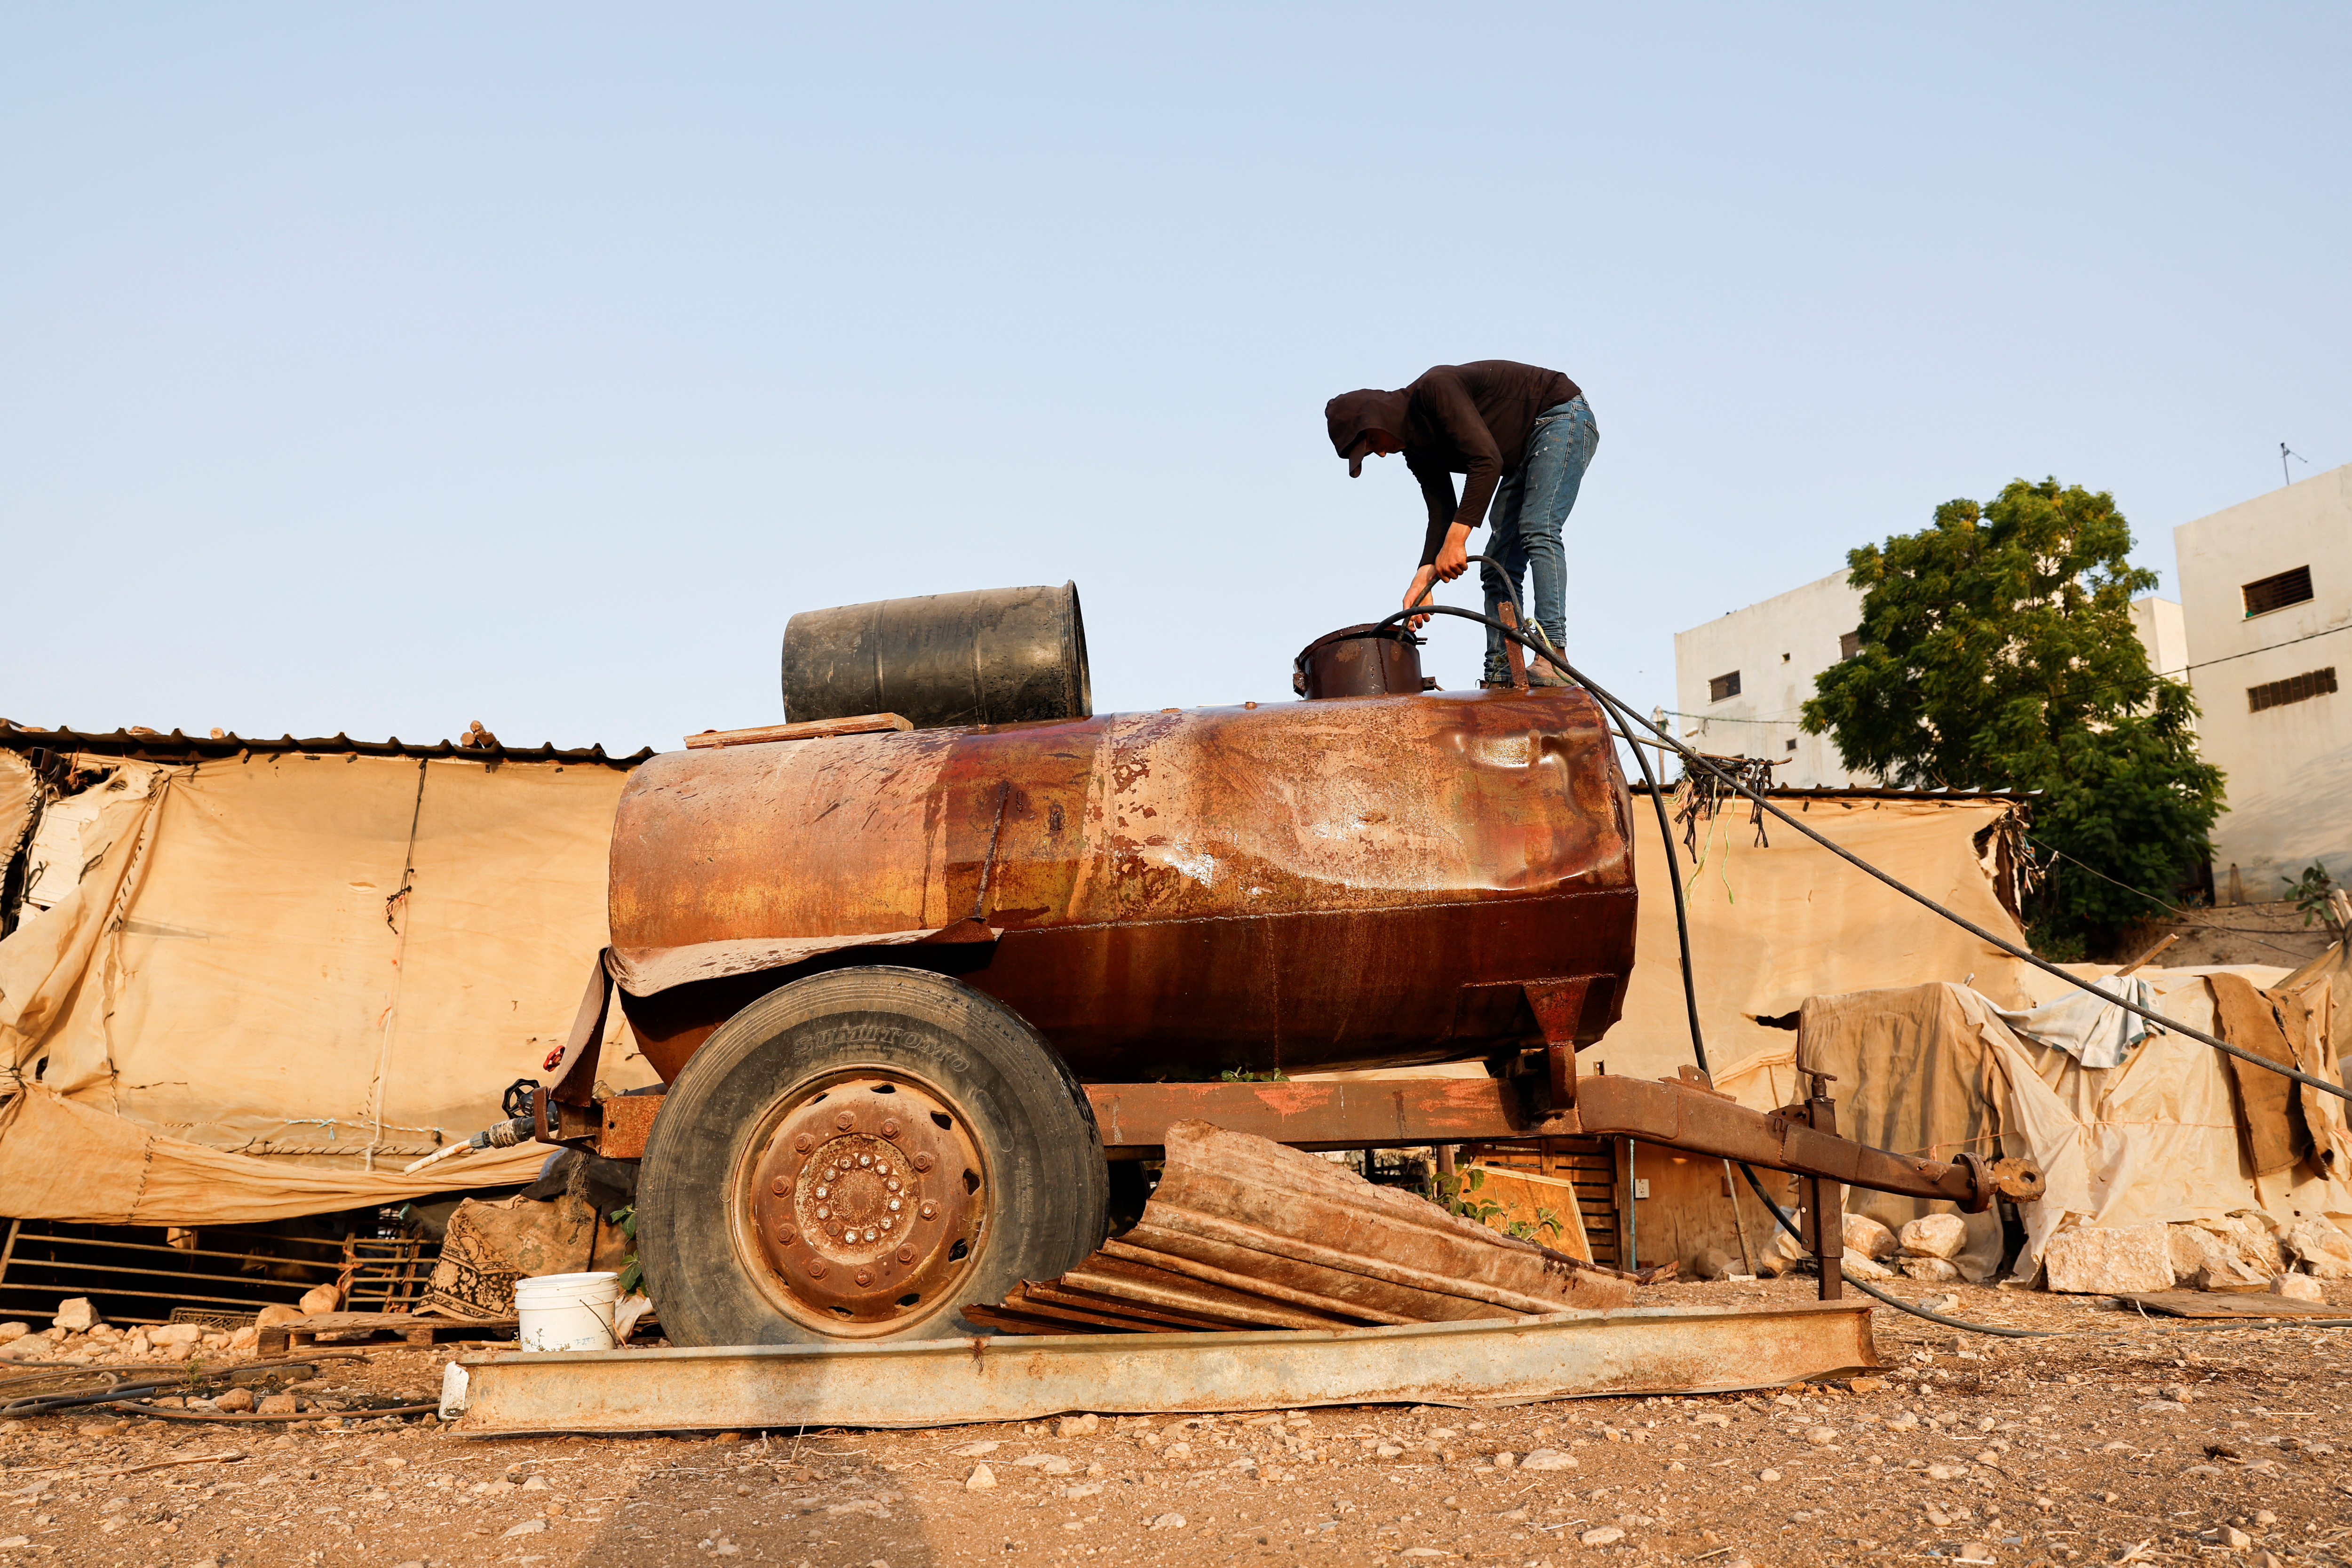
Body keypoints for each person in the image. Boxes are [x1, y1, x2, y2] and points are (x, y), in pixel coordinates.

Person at [1326, 361, 1597, 686]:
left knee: (1538, 528)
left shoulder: (1435, 389)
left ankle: (1553, 654)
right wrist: (1423, 576)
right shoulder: (1415, 451)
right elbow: (1442, 511)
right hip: (1522, 451)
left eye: (1371, 443)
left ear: (1376, 418)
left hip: (1559, 416)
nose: (1380, 454)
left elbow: (1487, 461)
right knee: (1497, 564)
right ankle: (1503, 671)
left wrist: (1456, 541)